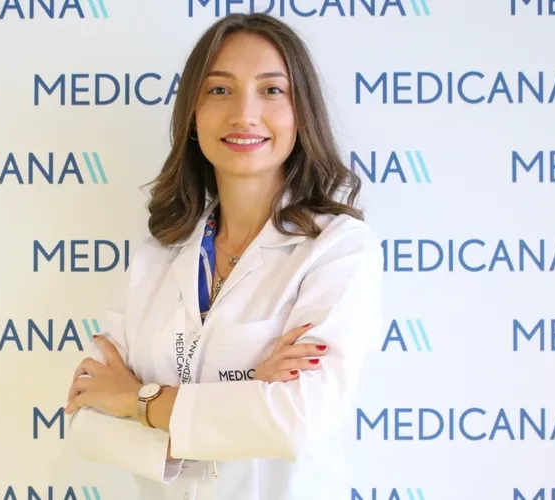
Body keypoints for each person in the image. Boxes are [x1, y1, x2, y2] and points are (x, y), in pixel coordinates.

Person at [60, 12, 383, 500]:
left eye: (271, 90)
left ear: (302, 112)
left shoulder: (337, 248)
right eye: (219, 90)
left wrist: (137, 401)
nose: (244, 114)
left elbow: (293, 421)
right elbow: (87, 419)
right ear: (193, 113)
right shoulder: (158, 254)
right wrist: (246, 396)